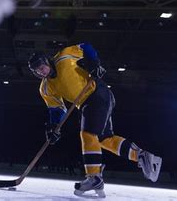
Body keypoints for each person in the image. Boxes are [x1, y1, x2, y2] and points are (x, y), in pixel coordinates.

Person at [28, 43, 162, 196]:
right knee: (104, 139)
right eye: (37, 70)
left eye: (41, 66)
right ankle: (142, 156)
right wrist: (53, 127)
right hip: (87, 104)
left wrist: (94, 63)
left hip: (97, 94)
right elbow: (56, 109)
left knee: (88, 134)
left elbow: (86, 47)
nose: (41, 71)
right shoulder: (45, 88)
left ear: (47, 60)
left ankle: (94, 177)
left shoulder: (64, 57)